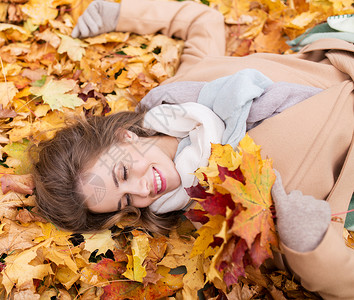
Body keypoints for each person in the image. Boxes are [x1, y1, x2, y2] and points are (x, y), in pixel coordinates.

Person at [33, 0, 354, 299]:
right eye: (127, 200)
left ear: (125, 137)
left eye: (124, 172)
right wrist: (311, 246)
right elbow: (333, 280)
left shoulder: (180, 94)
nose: (143, 189)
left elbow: (204, 21)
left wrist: (117, 14)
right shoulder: (216, 213)